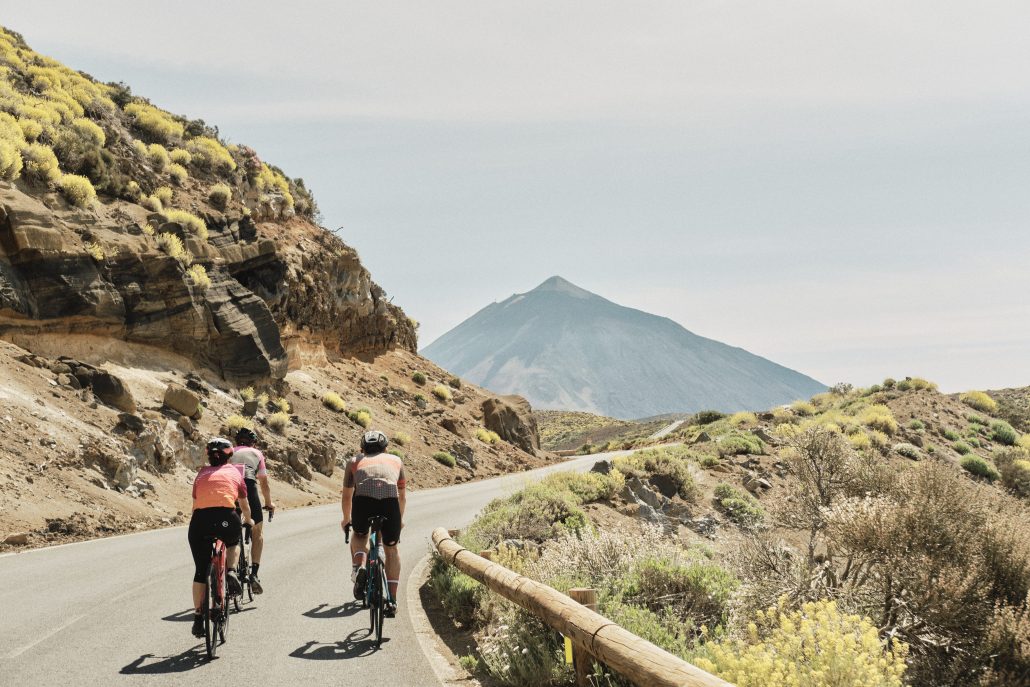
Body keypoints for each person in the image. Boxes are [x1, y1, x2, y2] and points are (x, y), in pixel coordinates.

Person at [189, 438, 253, 637]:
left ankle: (198, 617)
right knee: (234, 542)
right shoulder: (235, 472)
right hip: (226, 517)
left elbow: (195, 504)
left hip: (199, 521)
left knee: (200, 571)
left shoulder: (200, 474)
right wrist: (249, 521)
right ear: (230, 456)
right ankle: (232, 570)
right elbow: (244, 505)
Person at [340, 430, 406, 617]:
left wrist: (346, 519)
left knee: (360, 534)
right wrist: (399, 520)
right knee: (392, 549)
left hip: (363, 501)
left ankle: (359, 566)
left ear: (363, 448)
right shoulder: (396, 460)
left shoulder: (354, 461)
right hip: (390, 502)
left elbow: (346, 496)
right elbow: (402, 496)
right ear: (386, 448)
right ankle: (392, 601)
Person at [230, 427, 275, 593]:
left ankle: (230, 569)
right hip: (248, 486)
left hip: (229, 487)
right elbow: (264, 483)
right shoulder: (257, 454)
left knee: (231, 531)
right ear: (253, 443)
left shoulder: (229, 451)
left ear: (236, 442)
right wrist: (269, 503)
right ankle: (254, 574)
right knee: (258, 532)